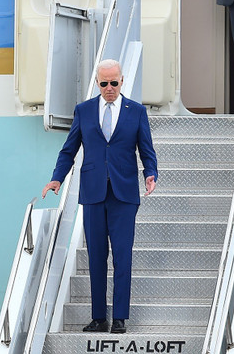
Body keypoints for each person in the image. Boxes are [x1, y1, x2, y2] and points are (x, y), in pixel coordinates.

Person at [42, 59, 158, 334]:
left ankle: (119, 318)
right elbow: (68, 150)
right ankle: (98, 317)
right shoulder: (83, 111)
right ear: (97, 82)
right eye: (104, 83)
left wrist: (150, 173)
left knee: (122, 256)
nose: (109, 88)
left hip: (124, 193)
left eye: (114, 83)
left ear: (122, 80)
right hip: (93, 192)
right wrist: (57, 177)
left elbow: (146, 149)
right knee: (96, 256)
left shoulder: (136, 111)